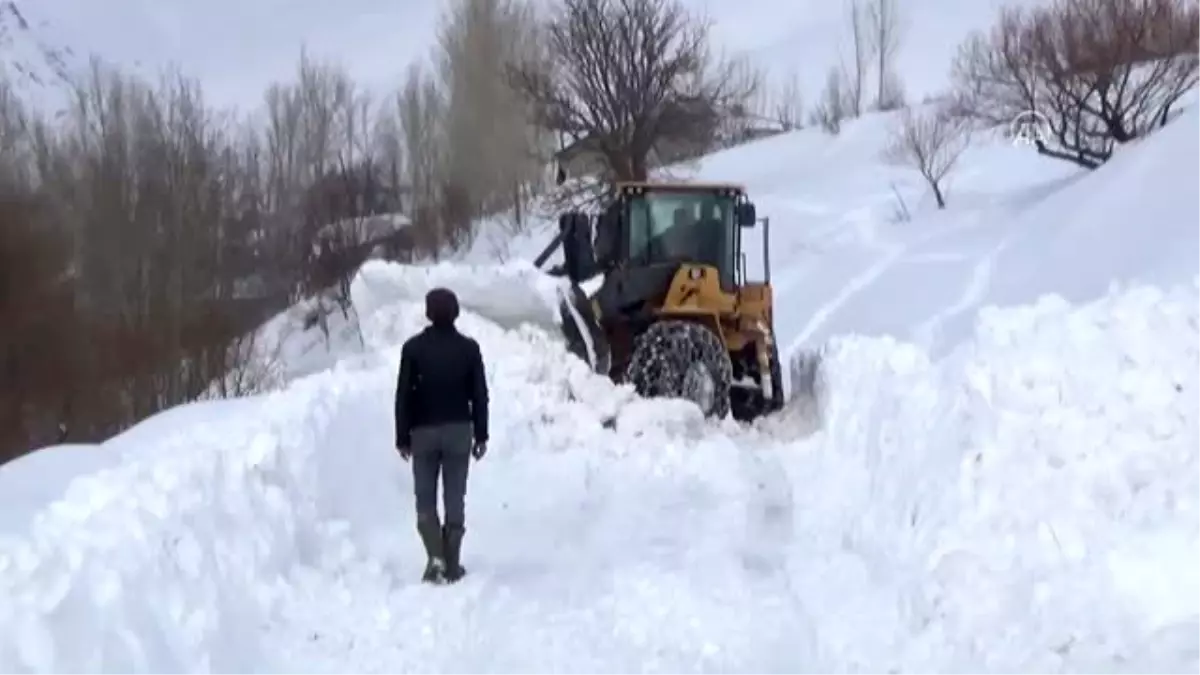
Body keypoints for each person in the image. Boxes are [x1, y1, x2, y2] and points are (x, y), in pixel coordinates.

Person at [394, 287, 489, 583]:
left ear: (428, 312)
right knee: (454, 496)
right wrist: (482, 434)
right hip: (459, 431)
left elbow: (403, 396)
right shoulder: (469, 349)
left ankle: (435, 557)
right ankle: (453, 563)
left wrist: (402, 436)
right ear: (456, 311)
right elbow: (480, 395)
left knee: (424, 497)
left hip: (422, 433)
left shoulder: (412, 349)